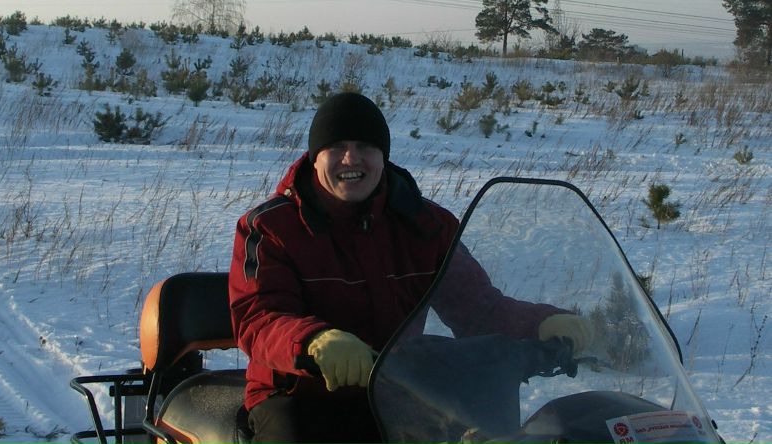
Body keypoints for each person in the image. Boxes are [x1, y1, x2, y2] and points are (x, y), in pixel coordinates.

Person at [228, 92, 590, 444]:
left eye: (366, 147)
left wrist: (541, 323)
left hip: (399, 386)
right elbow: (259, 317)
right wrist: (314, 341)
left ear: (383, 156)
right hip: (299, 393)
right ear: (315, 157)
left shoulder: (426, 224)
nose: (351, 159)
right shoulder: (269, 228)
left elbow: (478, 308)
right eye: (336, 147)